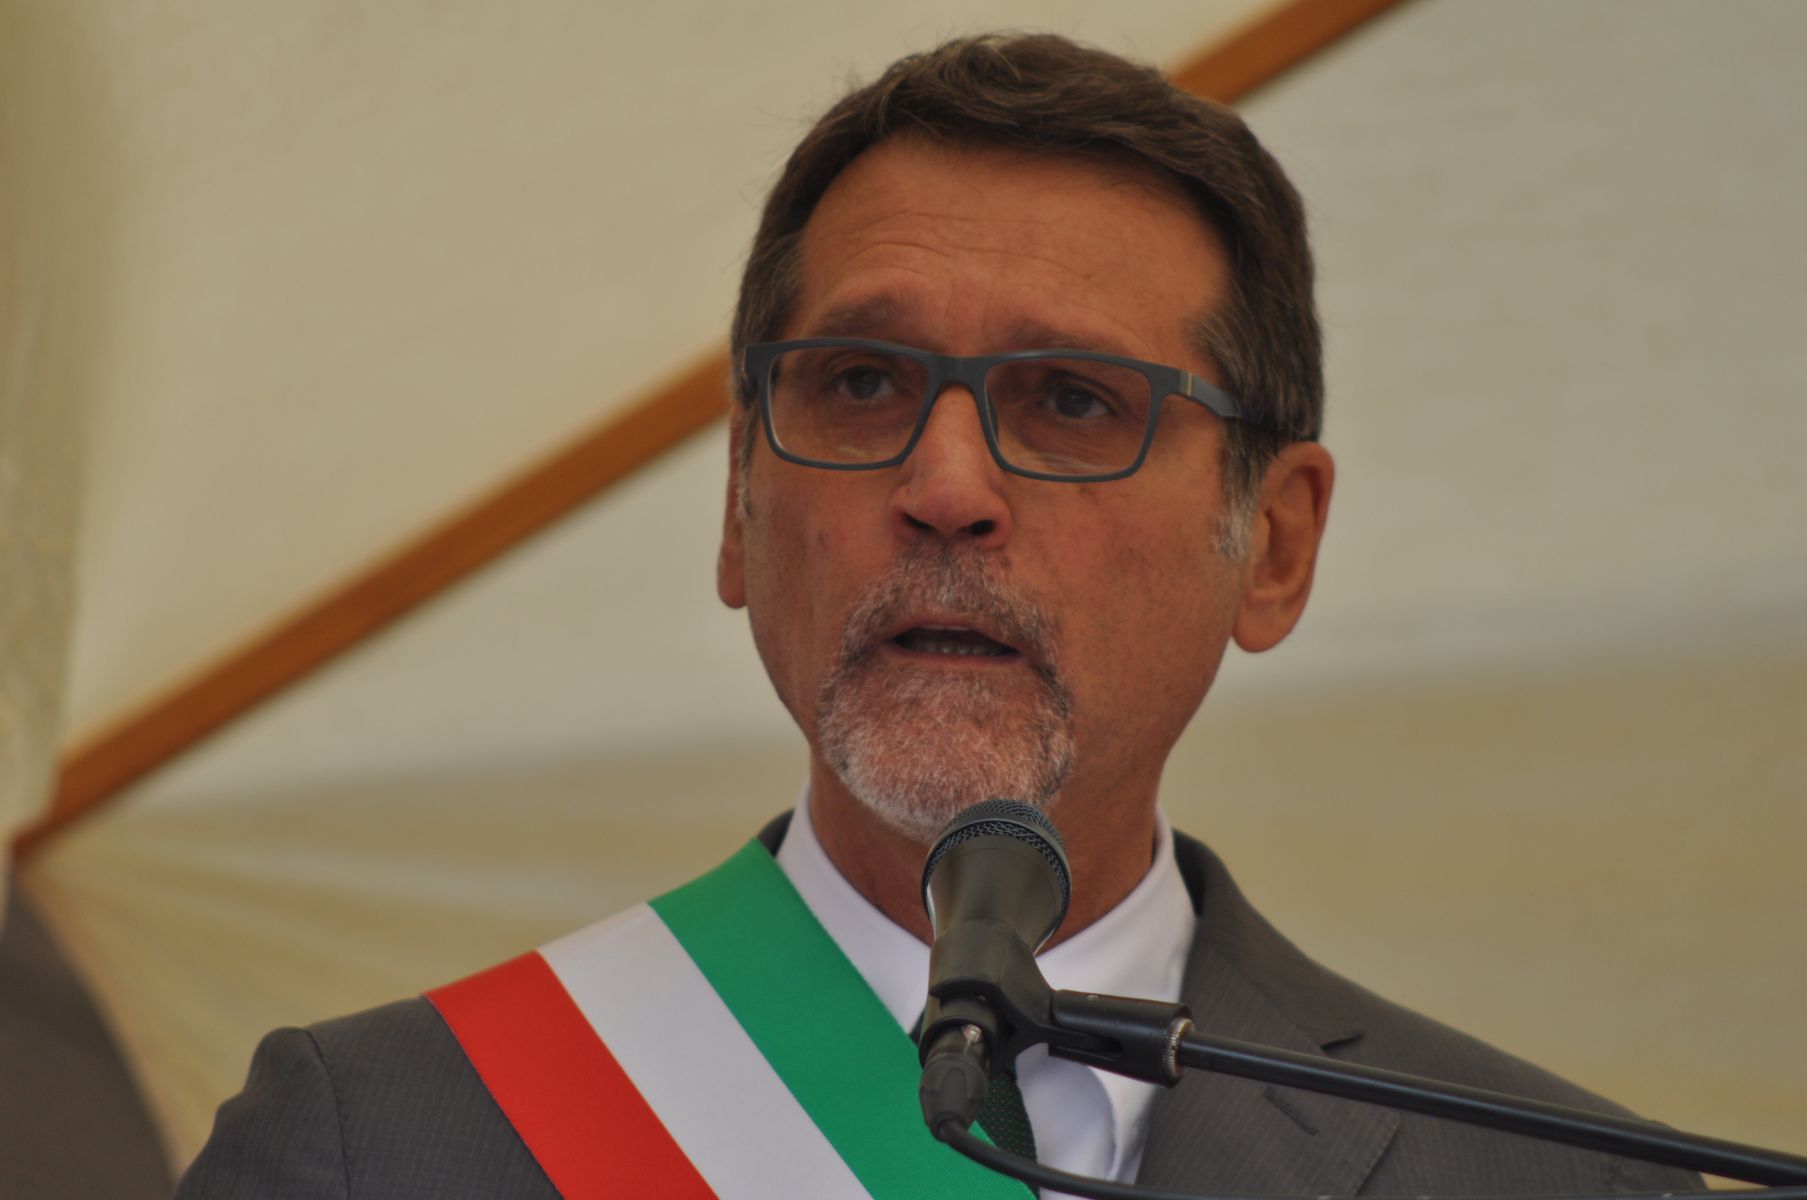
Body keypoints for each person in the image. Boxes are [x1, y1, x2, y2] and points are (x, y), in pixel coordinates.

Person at [176, 34, 1702, 1197]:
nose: (946, 486)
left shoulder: (1554, 1180)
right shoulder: (383, 1143)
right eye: (860, 382)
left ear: (1275, 546)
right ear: (737, 500)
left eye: (1072, 400)